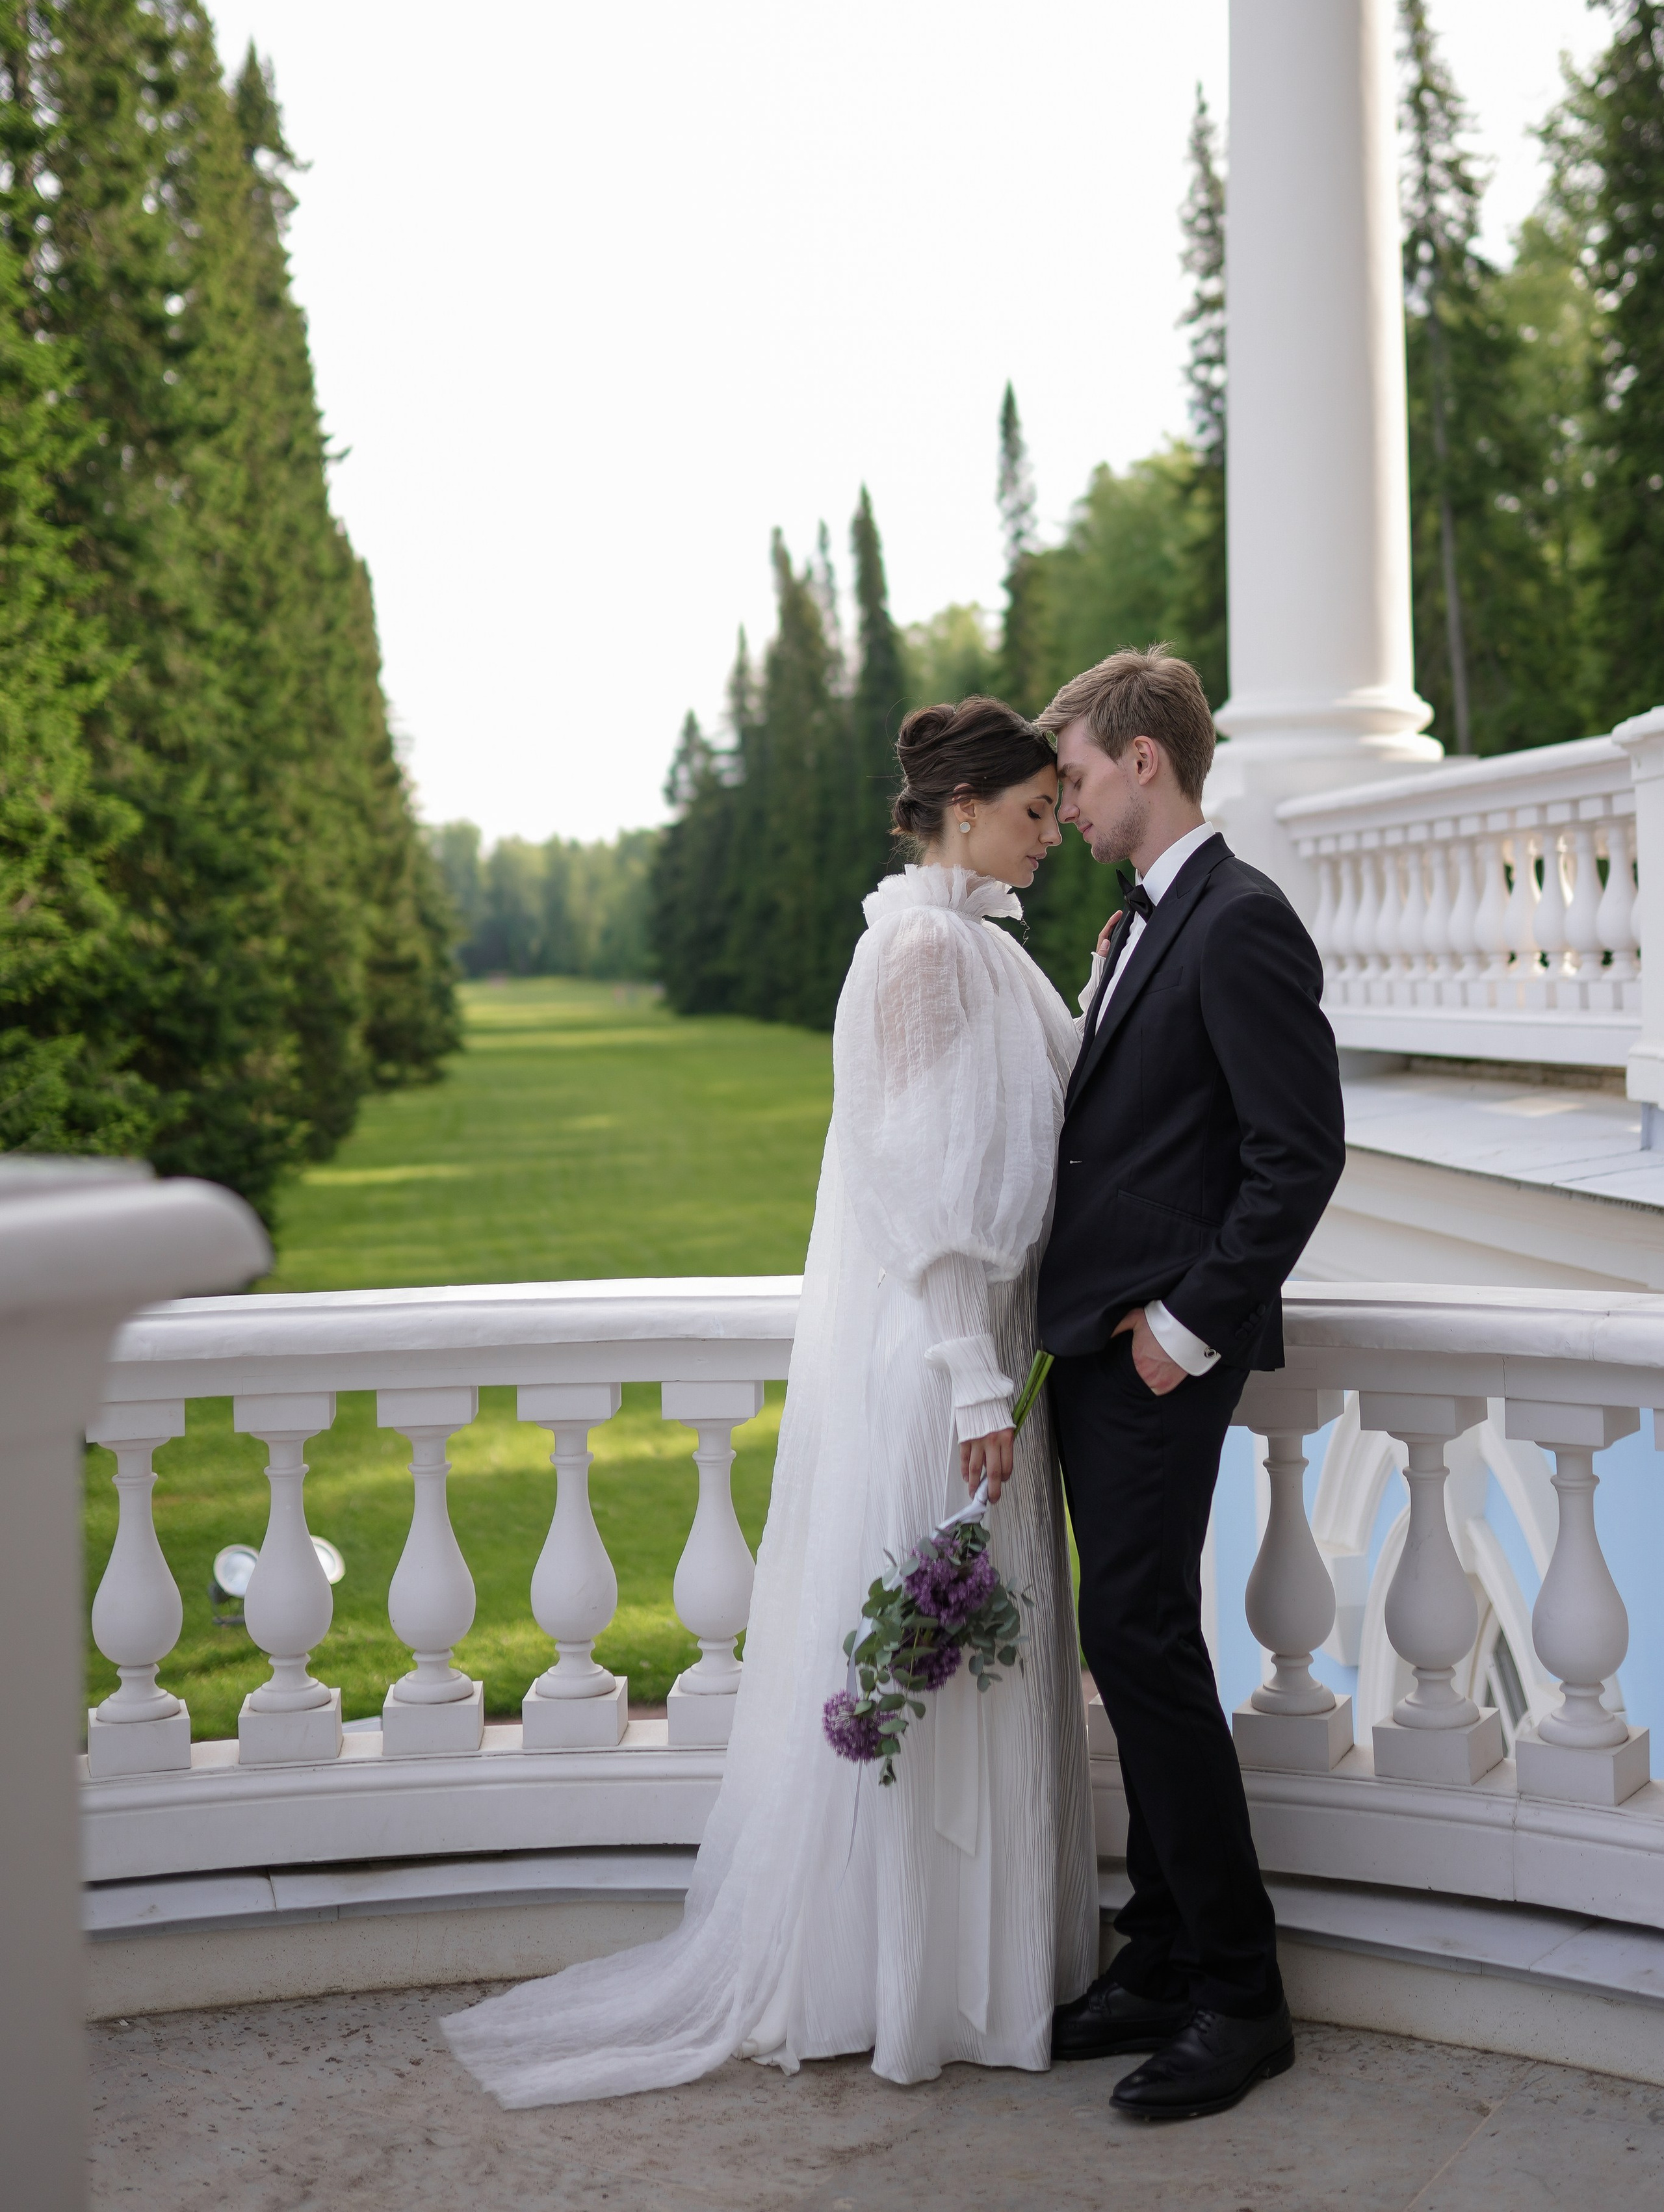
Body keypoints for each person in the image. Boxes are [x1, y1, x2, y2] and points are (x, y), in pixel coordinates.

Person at [444, 696, 1098, 2105]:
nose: (1055, 837)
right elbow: (923, 1188)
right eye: (1037, 812)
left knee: (976, 1654)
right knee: (933, 1652)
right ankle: (903, 1979)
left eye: (1057, 811)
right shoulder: (920, 950)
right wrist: (978, 1377)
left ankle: (980, 1976)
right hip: (944, 1368)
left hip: (983, 1357)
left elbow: (1060, 1111)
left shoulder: (984, 951)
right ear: (966, 805)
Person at [1035, 645, 1346, 2122]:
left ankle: (1237, 1990)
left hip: (1160, 1357)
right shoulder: (1139, 924)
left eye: (1083, 777)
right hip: (1099, 1349)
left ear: (1142, 759)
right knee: (1134, 1640)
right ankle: (1157, 1950)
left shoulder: (1236, 923)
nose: (1073, 804)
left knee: (1141, 1641)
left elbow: (1298, 1154)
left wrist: (1184, 1327)